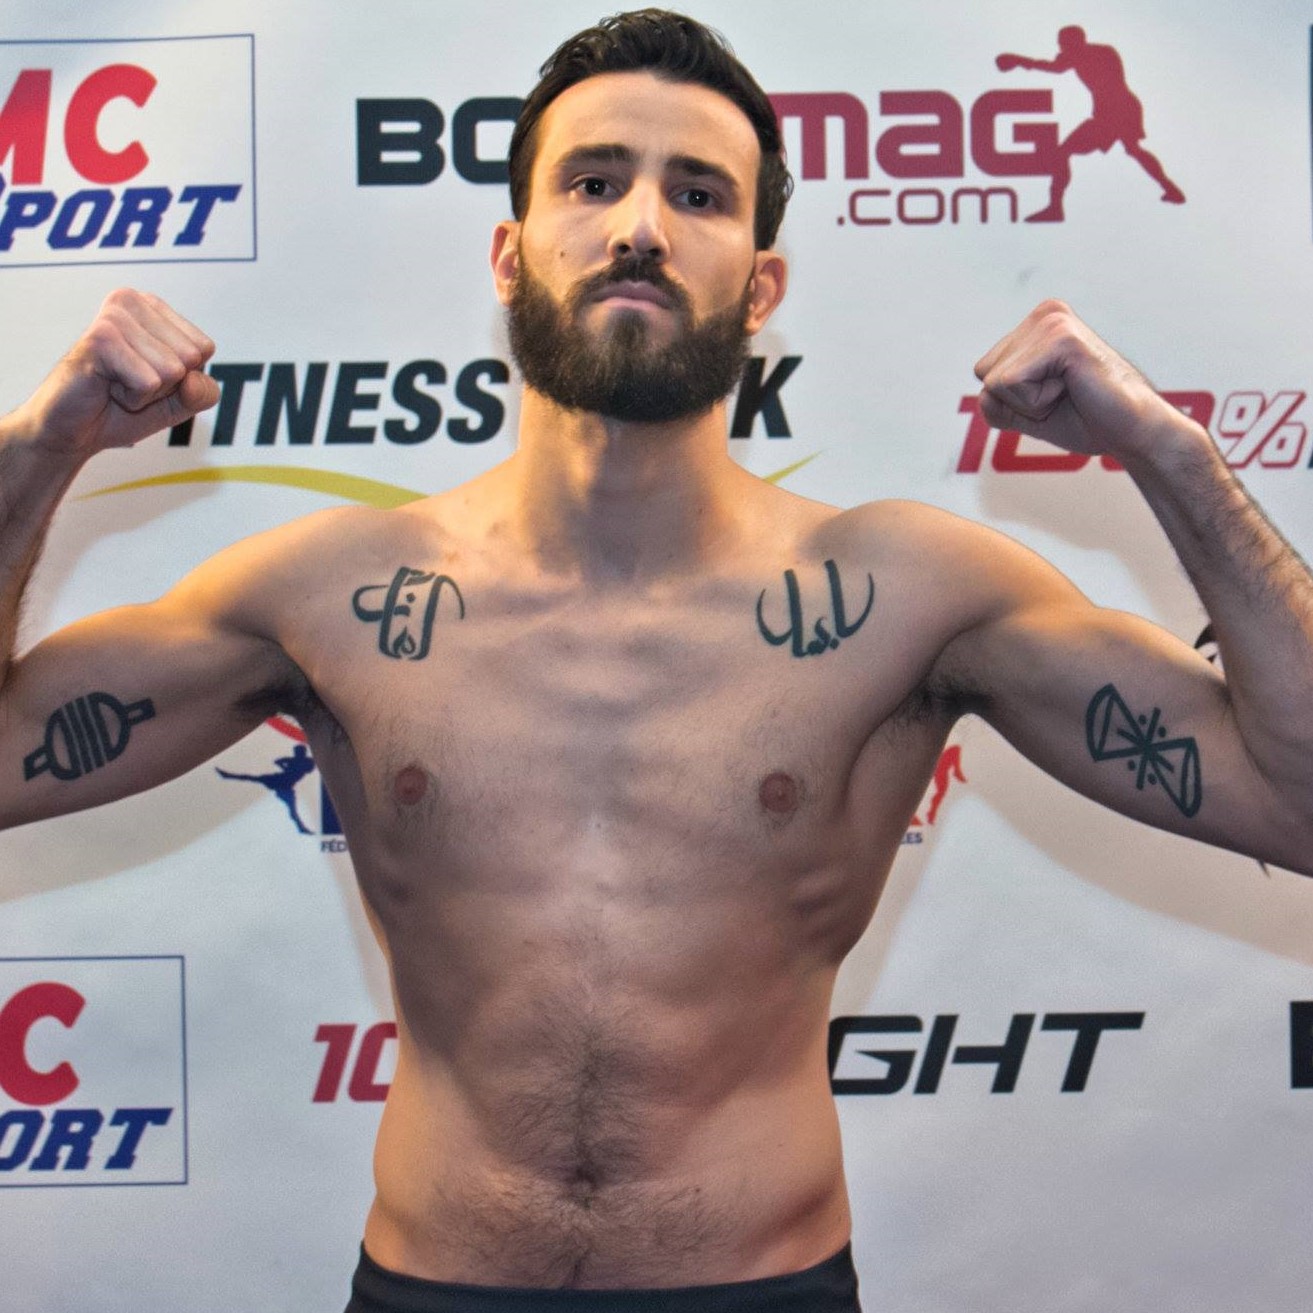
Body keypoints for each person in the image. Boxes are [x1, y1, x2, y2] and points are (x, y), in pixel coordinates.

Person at [2, 9, 1310, 1311]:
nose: (639, 226)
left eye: (697, 193)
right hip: (434, 1287)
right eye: (592, 182)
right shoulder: (330, 594)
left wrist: (1174, 456)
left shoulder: (905, 597)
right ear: (509, 255)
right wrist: (41, 447)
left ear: (762, 285)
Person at [997, 24, 1186, 222]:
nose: (1061, 48)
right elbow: (1058, 66)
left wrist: (1019, 61)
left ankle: (1055, 208)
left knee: (1063, 153)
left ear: (1074, 43)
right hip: (1123, 109)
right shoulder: (1088, 54)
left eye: (1063, 44)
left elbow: (1058, 68)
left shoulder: (1099, 53)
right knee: (1133, 149)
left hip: (1115, 112)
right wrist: (1022, 61)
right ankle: (1171, 189)